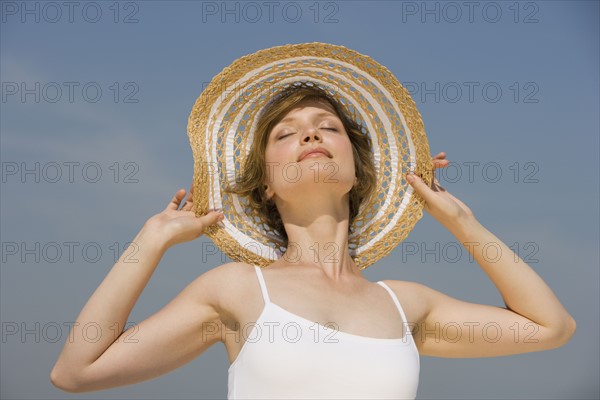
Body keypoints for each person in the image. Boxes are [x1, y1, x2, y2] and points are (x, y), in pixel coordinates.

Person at [50, 43, 576, 399]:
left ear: (358, 172)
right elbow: (77, 371)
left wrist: (464, 223)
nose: (310, 135)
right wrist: (152, 239)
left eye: (328, 127)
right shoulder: (235, 290)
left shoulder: (405, 303)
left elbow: (550, 327)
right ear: (265, 185)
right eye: (286, 133)